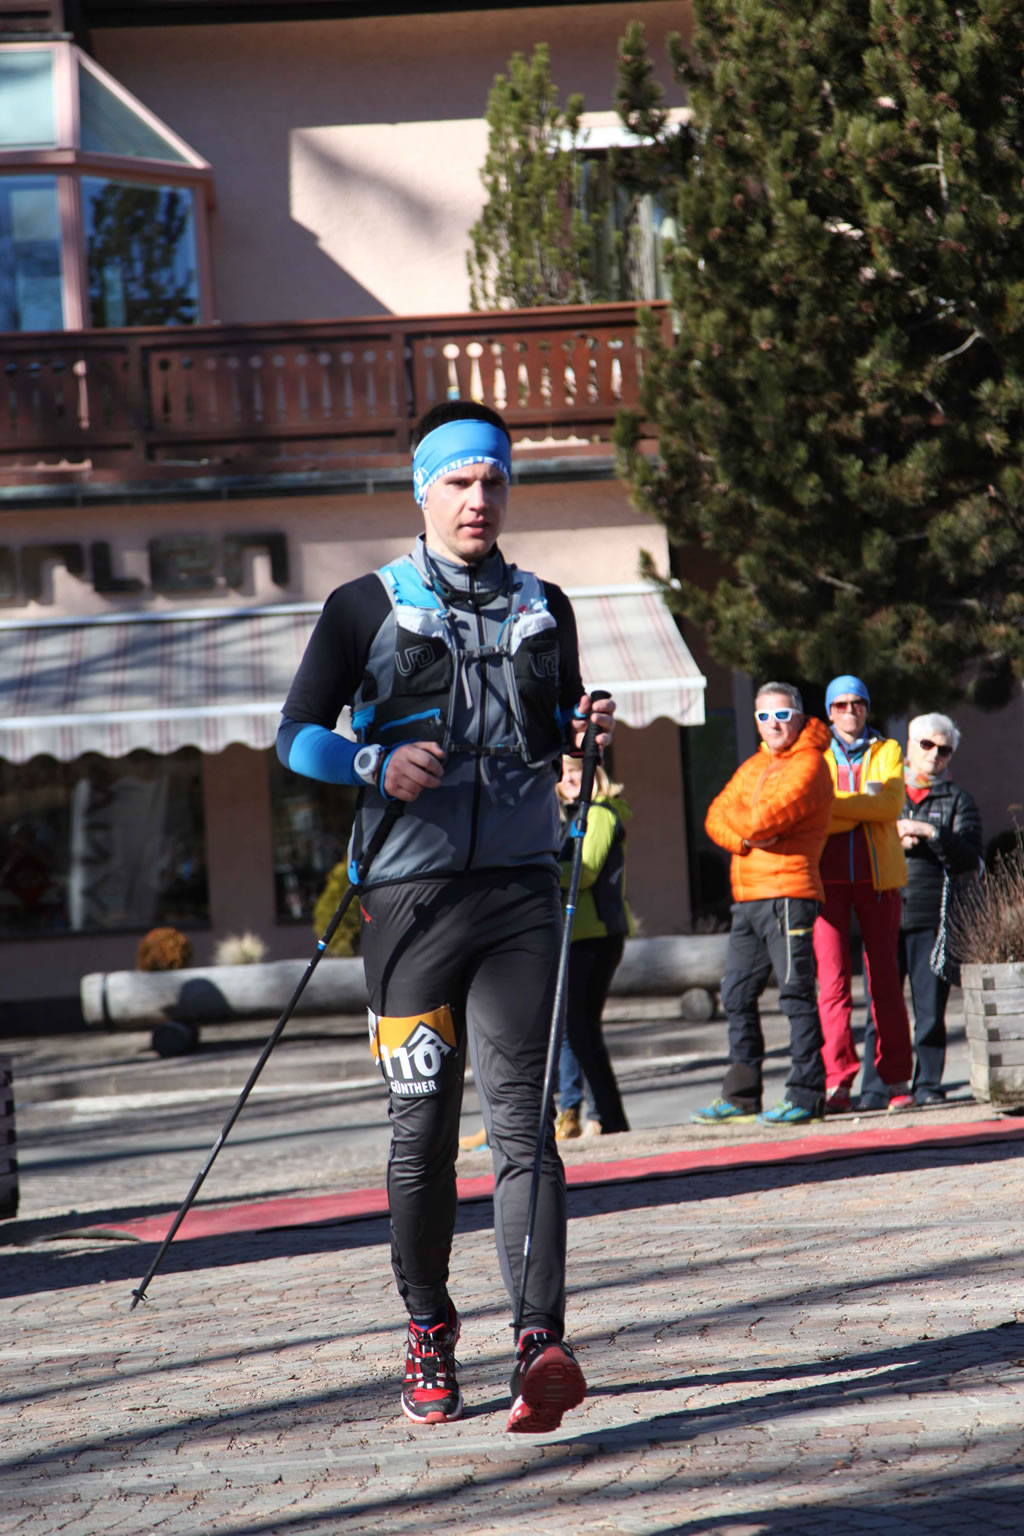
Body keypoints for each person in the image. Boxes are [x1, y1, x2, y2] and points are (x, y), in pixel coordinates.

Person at [277, 399, 615, 1435]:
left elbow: (554, 723)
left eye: (494, 481)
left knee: (525, 1128)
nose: (479, 499)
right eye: (460, 481)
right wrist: (371, 761)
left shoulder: (547, 605)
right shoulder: (362, 605)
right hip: (408, 905)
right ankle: (428, 1327)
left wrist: (584, 727)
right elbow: (295, 736)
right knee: (421, 1135)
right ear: (422, 490)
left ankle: (540, 1341)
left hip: (520, 895)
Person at [691, 683, 834, 1126]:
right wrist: (746, 840)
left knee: (795, 994)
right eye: (764, 716)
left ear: (799, 717)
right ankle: (741, 1095)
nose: (774, 724)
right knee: (735, 994)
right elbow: (714, 817)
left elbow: (759, 818)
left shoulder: (810, 765)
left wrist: (745, 827)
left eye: (782, 715)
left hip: (789, 894)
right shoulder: (754, 765)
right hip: (748, 899)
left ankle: (806, 1094)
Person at [859, 714, 983, 1108]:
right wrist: (890, 836)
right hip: (881, 910)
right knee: (879, 1006)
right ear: (908, 746)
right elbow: (855, 841)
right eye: (927, 745)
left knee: (930, 1010)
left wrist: (930, 832)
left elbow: (970, 858)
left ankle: (928, 1084)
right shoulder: (881, 790)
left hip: (931, 916)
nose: (934, 755)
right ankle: (875, 1087)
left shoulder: (958, 800)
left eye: (944, 750)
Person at [814, 675, 914, 1112]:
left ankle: (896, 1080)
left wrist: (836, 806)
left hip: (878, 879)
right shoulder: (814, 754)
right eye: (840, 705)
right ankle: (838, 1082)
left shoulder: (887, 750)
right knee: (832, 985)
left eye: (857, 703)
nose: (850, 711)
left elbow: (891, 805)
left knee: (885, 982)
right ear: (829, 712)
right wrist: (861, 808)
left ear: (867, 708)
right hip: (825, 882)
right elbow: (812, 810)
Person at [553, 756, 634, 1141]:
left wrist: (537, 869)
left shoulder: (599, 813)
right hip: (575, 936)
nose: (570, 779)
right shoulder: (568, 816)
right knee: (579, 1031)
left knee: (582, 1031)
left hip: (596, 934)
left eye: (577, 772)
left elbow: (584, 873)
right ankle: (603, 1116)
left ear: (594, 775)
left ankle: (610, 1117)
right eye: (564, 773)